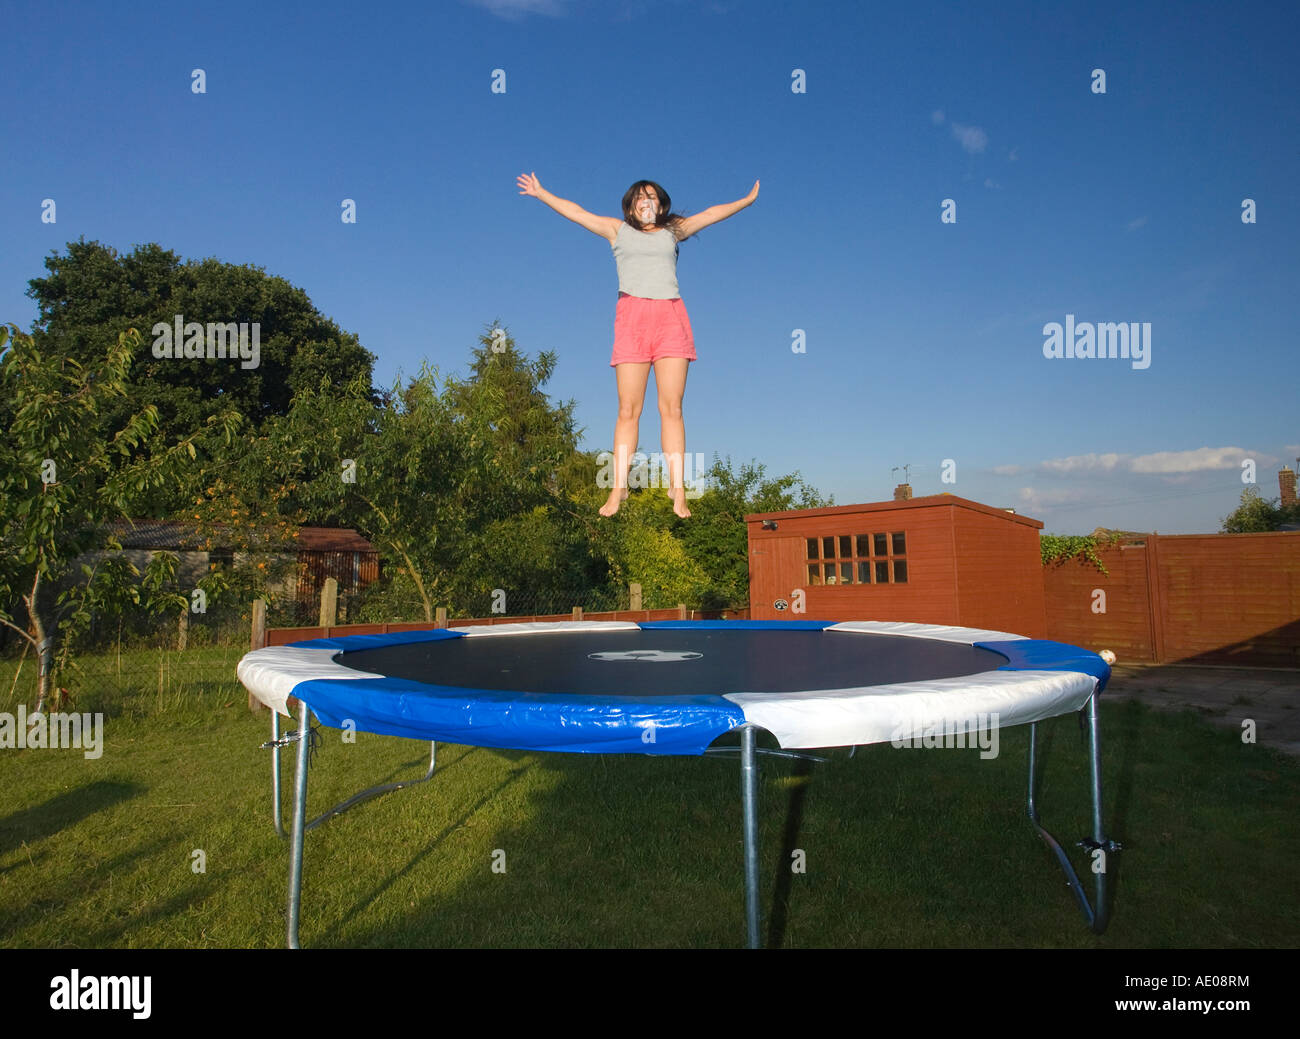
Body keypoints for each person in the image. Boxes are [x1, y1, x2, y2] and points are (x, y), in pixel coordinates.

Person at [517, 172, 759, 517]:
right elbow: (578, 212)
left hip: (670, 318)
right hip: (632, 318)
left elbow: (709, 215)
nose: (648, 202)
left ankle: (678, 489)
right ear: (632, 205)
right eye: (641, 197)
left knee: (671, 408)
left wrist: (745, 201)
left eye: (653, 197)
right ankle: (618, 490)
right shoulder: (618, 230)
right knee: (628, 410)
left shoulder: (672, 231)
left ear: (661, 205)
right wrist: (542, 194)